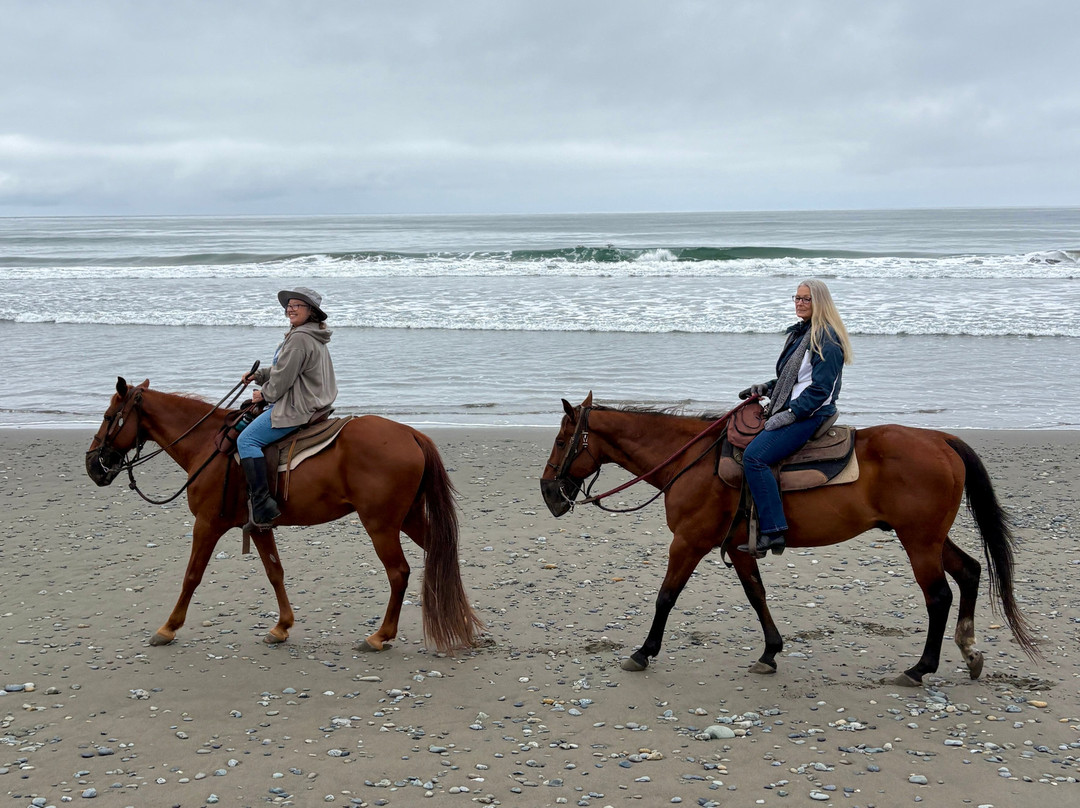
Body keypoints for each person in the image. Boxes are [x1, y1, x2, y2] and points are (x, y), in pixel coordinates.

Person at [737, 279, 853, 557]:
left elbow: (821, 391)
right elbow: (796, 378)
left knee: (755, 457)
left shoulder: (826, 339)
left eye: (806, 299)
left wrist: (789, 415)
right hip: (793, 405)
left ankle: (774, 531)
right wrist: (768, 386)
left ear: (819, 303)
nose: (799, 303)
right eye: (797, 298)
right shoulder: (802, 333)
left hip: (811, 413)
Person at [237, 287, 338, 529]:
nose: (290, 309)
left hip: (297, 405)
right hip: (314, 401)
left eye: (297, 305)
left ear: (311, 311)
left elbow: (282, 380)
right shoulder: (311, 334)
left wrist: (265, 394)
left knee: (246, 441)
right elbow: (285, 368)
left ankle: (262, 503)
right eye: (288, 305)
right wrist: (259, 375)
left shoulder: (299, 337)